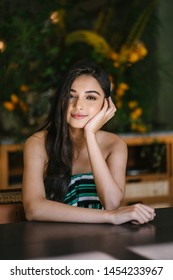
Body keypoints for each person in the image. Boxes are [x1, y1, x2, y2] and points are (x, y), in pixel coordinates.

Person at [22, 61, 155, 225]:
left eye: (91, 97)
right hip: (53, 242)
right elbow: (33, 209)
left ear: (106, 105)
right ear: (61, 100)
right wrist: (110, 217)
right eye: (71, 96)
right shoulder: (37, 144)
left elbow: (111, 203)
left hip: (99, 242)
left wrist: (90, 135)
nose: (78, 106)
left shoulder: (115, 145)